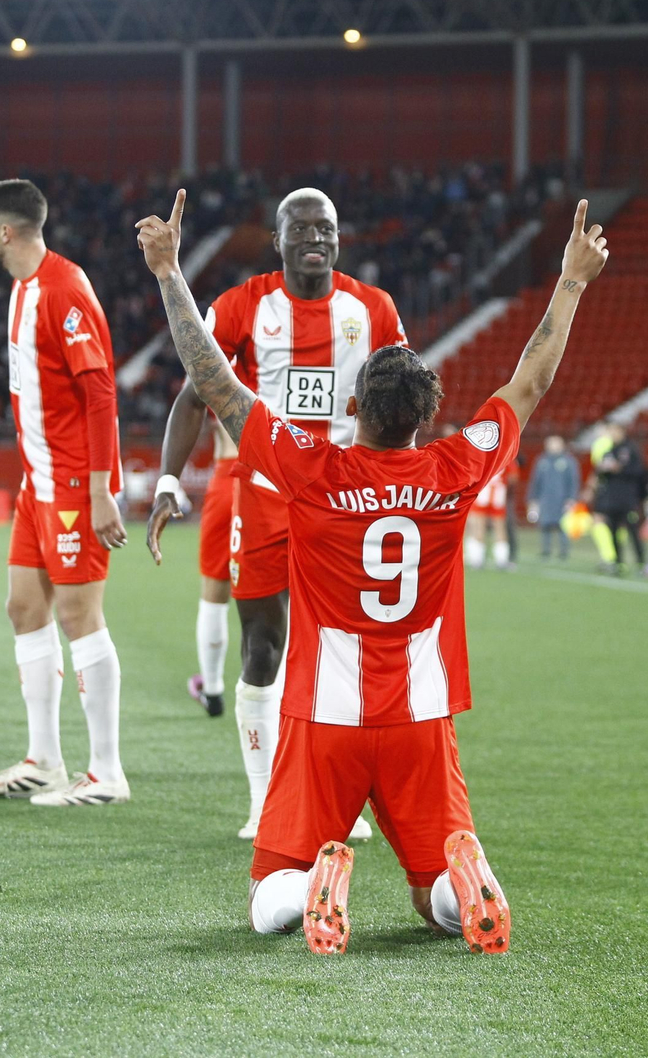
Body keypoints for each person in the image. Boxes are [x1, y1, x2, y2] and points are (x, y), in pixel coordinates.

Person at [138, 190, 608, 954]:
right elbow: (531, 380)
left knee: (266, 898)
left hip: (327, 715)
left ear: (353, 403)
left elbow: (214, 381)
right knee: (432, 897)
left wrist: (167, 272)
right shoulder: (454, 468)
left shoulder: (311, 470)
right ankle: (465, 884)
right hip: (421, 717)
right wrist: (572, 281)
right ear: (425, 419)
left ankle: (312, 883)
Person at [146, 187, 404, 840]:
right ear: (278, 239)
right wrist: (169, 481)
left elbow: (403, 395)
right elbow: (195, 393)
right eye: (303, 229)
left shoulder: (372, 310)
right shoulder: (242, 306)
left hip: (346, 502)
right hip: (262, 495)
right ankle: (266, 804)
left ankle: (343, 798)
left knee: (348, 653)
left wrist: (402, 480)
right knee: (264, 644)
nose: (317, 238)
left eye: (328, 228)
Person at [0, 179, 131, 808]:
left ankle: (107, 773)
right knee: (23, 607)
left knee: (79, 615)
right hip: (37, 482)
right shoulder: (21, 288)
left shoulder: (63, 290)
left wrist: (99, 491)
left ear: (7, 231)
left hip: (71, 484)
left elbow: (100, 394)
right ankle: (43, 760)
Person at [177, 418, 237, 718]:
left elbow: (193, 413)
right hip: (270, 480)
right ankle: (279, 688)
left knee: (214, 591)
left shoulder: (222, 368)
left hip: (227, 476)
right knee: (281, 594)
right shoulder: (275, 370)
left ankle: (212, 690)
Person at [589, 424, 648, 573]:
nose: (613, 434)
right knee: (613, 530)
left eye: (615, 431)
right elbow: (599, 473)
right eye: (610, 431)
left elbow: (639, 471)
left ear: (622, 431)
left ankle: (641, 562)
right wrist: (602, 470)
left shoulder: (631, 449)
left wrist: (620, 469)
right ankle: (618, 561)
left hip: (628, 499)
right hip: (611, 499)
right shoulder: (608, 451)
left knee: (633, 531)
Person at [526, 434, 579, 561]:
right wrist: (532, 498)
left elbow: (573, 481)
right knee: (545, 525)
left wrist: (572, 498)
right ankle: (546, 550)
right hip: (545, 499)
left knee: (563, 526)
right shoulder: (542, 461)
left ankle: (563, 551)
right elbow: (535, 481)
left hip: (562, 500)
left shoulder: (568, 461)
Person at [465, 468, 512, 569]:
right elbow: (513, 477)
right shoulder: (506, 455)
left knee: (479, 526)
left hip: (483, 492)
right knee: (499, 527)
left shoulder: (483, 453)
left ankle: (477, 559)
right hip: (498, 494)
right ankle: (501, 560)